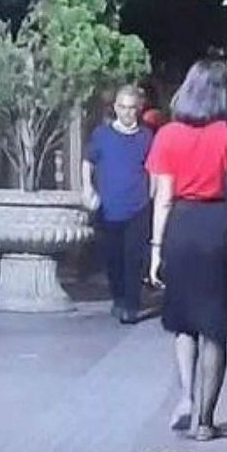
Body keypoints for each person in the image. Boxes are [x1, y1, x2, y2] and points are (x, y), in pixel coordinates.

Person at [147, 60, 227, 441]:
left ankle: (185, 396)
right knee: (215, 328)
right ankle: (206, 422)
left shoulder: (168, 134)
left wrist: (156, 249)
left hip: (182, 227)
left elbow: (163, 197)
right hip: (220, 231)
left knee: (184, 322)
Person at [83, 85, 153, 324]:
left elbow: (153, 168)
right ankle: (119, 298)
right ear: (115, 108)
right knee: (113, 258)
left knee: (134, 258)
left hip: (138, 206)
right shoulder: (102, 135)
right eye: (122, 107)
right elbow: (88, 162)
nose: (126, 112)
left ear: (139, 109)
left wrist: (153, 195)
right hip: (109, 207)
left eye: (131, 108)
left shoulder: (146, 137)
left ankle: (131, 305)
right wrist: (87, 188)